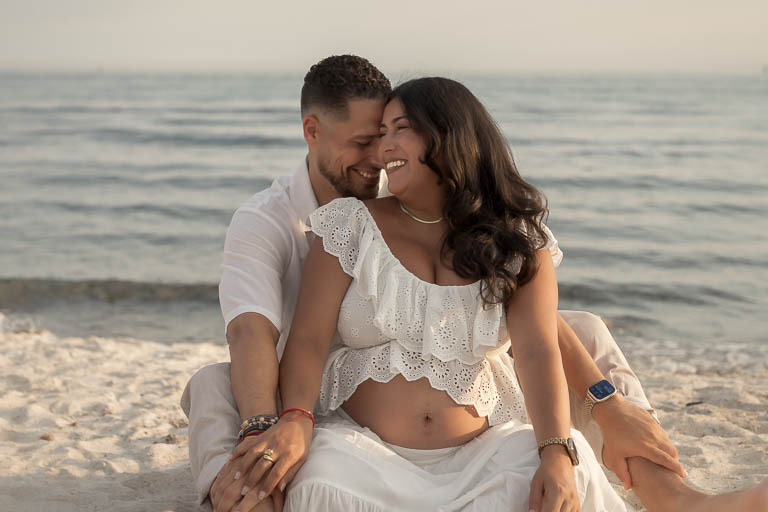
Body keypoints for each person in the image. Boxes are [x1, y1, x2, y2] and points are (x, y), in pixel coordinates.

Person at [182, 56, 760, 512]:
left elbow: (535, 343)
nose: (379, 153)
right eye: (368, 138)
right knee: (218, 388)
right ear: (313, 132)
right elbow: (266, 333)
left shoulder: (513, 239)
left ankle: (673, 495)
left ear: (448, 137)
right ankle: (247, 501)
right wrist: (285, 421)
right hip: (335, 422)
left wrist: (570, 436)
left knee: (580, 356)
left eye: (394, 131)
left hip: (477, 444)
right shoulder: (298, 222)